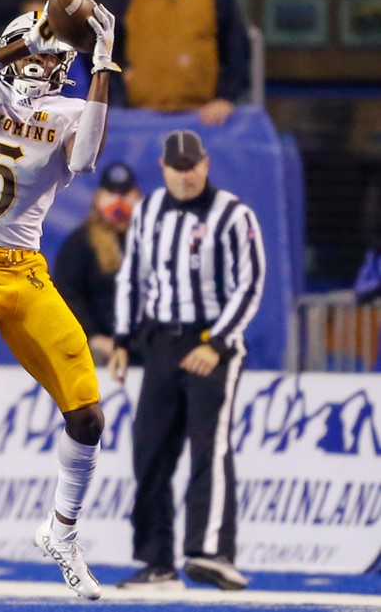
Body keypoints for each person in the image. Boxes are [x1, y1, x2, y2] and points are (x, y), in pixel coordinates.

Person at [0, 0, 121, 610]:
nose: (42, 63)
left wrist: (104, 66)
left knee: (88, 412)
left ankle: (61, 532)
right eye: (33, 50)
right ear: (15, 47)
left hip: (26, 272)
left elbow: (85, 160)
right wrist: (16, 45)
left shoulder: (66, 112)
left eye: (53, 54)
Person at [110, 129, 265, 591]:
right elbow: (132, 275)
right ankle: (157, 561)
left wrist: (216, 343)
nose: (185, 176)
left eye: (192, 166)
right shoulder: (149, 210)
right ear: (163, 169)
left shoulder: (234, 215)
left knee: (208, 447)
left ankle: (211, 550)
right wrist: (123, 337)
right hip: (162, 340)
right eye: (177, 168)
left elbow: (251, 282)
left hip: (210, 341)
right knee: (149, 451)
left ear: (206, 163)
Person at [121, 0, 250, 125]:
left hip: (203, 119)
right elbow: (109, 42)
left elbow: (237, 48)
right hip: (138, 120)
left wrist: (226, 99)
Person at [53, 162, 142, 365]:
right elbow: (67, 294)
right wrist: (93, 336)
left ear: (137, 197)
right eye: (111, 194)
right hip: (98, 346)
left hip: (143, 343)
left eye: (125, 193)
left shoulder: (150, 240)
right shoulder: (79, 243)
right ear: (98, 198)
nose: (119, 201)